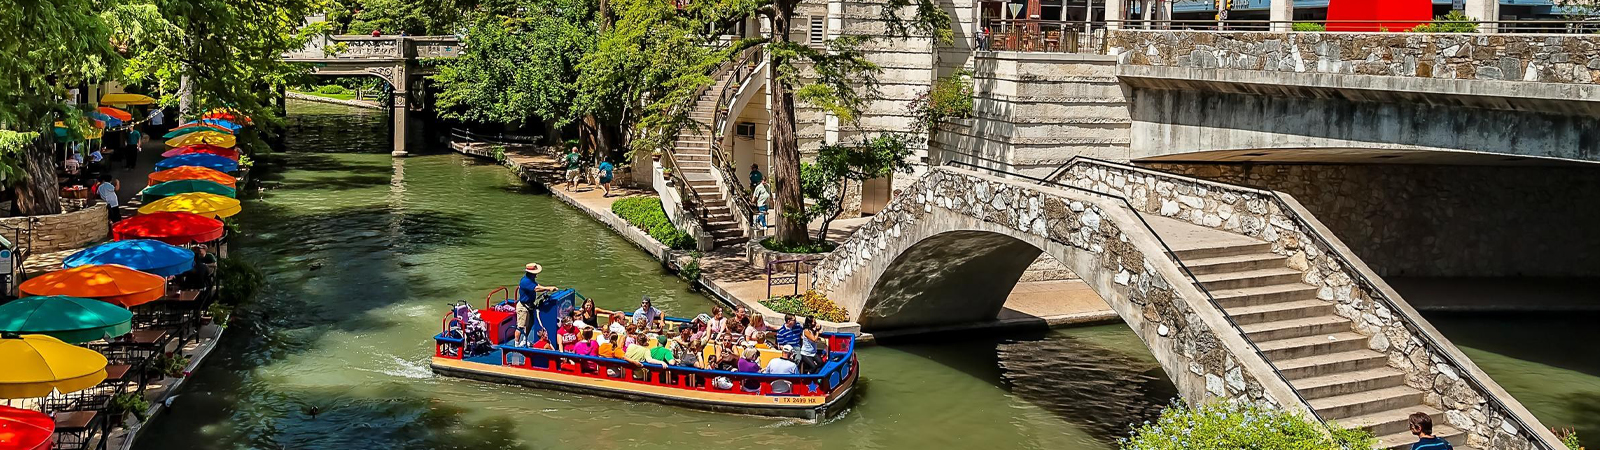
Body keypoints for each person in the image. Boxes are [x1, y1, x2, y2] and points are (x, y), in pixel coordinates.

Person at [513, 263, 558, 346]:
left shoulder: (531, 279)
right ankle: (516, 345)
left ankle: (524, 340)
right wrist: (549, 288)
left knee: (530, 324)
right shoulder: (525, 281)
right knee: (520, 326)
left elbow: (537, 285)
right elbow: (536, 288)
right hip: (523, 306)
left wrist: (546, 288)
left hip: (530, 305)